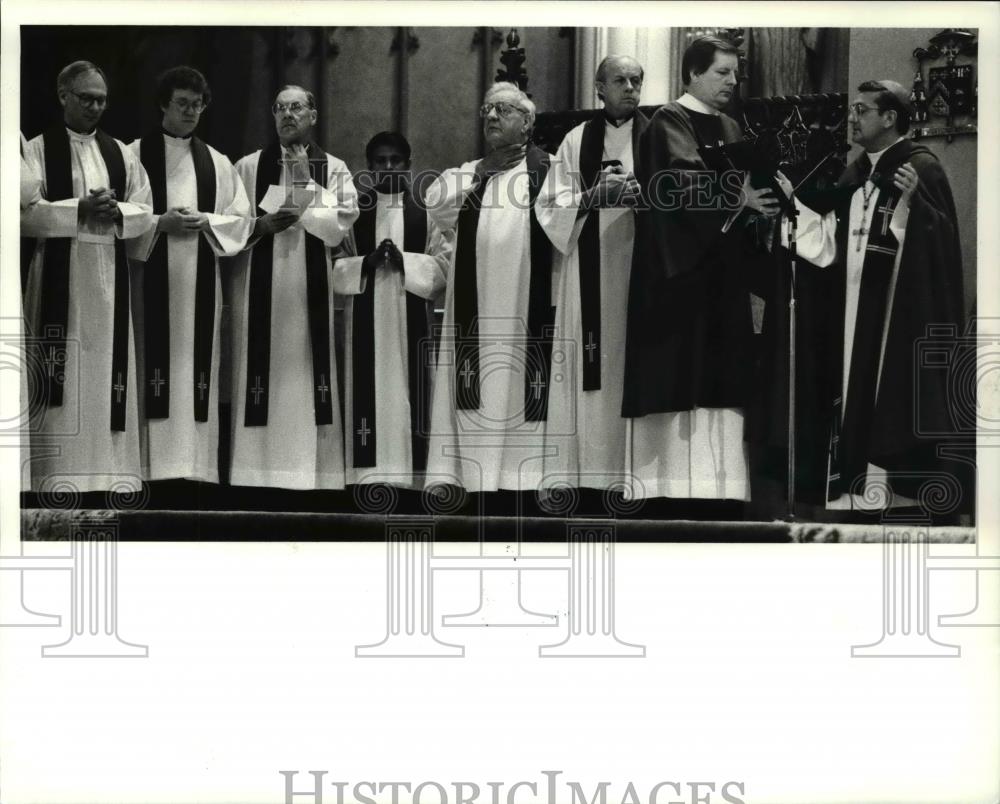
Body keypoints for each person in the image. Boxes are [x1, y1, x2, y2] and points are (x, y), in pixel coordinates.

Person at [762, 80, 966, 511]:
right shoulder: (855, 172)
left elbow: (940, 246)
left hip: (895, 312)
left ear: (890, 118)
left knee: (883, 388)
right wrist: (791, 208)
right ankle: (851, 491)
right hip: (849, 310)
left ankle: (893, 492)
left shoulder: (921, 168)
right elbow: (829, 242)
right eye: (853, 109)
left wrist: (914, 207)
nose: (852, 118)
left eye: (862, 110)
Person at [622, 36, 779, 502]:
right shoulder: (669, 119)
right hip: (679, 278)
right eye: (721, 72)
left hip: (722, 276)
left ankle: (721, 492)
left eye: (735, 73)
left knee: (725, 379)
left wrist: (766, 203)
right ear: (692, 73)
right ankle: (668, 492)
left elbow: (745, 187)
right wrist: (738, 196)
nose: (732, 81)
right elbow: (676, 183)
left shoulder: (731, 126)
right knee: (680, 379)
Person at [21, 61, 153, 494]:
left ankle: (109, 475)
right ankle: (54, 475)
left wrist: (118, 211)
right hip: (59, 269)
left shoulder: (121, 152)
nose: (95, 107)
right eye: (86, 98)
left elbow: (144, 209)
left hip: (107, 275)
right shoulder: (37, 149)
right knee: (65, 370)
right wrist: (78, 208)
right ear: (63, 96)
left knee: (105, 374)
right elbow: (22, 214)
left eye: (101, 100)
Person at [424, 82, 555, 493]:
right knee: (476, 385)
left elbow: (569, 218)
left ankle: (526, 480)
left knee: (525, 387)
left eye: (503, 110)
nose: (492, 117)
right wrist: (484, 172)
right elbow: (436, 204)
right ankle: (469, 479)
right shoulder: (467, 171)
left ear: (528, 121)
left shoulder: (551, 169)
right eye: (487, 111)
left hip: (527, 306)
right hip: (475, 308)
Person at [228, 85, 358, 489]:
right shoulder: (249, 166)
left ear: (313, 115)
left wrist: (305, 180)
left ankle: (312, 479)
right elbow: (229, 223)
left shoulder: (334, 168)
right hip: (260, 293)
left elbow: (339, 230)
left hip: (308, 296)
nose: (288, 115)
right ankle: (255, 476)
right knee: (260, 374)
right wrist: (259, 226)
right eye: (280, 108)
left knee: (307, 378)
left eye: (297, 107)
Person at [128, 66, 252, 484]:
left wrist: (208, 221)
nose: (190, 111)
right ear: (164, 103)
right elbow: (119, 217)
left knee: (195, 370)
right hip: (148, 282)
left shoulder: (217, 162)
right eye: (182, 103)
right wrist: (159, 224)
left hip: (201, 280)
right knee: (149, 364)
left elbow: (241, 220)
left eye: (197, 105)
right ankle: (146, 469)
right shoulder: (132, 154)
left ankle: (194, 470)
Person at [535, 55, 646, 492]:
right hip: (588, 268)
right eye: (619, 80)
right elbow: (548, 207)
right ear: (599, 87)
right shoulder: (576, 140)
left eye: (637, 80)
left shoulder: (657, 135)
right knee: (590, 365)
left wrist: (643, 196)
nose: (630, 88)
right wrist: (592, 196)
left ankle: (631, 477)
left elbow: (679, 193)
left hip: (641, 268)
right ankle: (580, 478)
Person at [331, 132, 450, 489]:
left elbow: (445, 264)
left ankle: (411, 478)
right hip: (364, 322)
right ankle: (365, 477)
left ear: (409, 165)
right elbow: (335, 264)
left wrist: (405, 263)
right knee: (367, 391)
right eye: (380, 161)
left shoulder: (426, 213)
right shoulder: (355, 214)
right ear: (369, 167)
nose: (387, 167)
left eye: (395, 160)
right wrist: (365, 262)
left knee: (409, 393)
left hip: (409, 321)